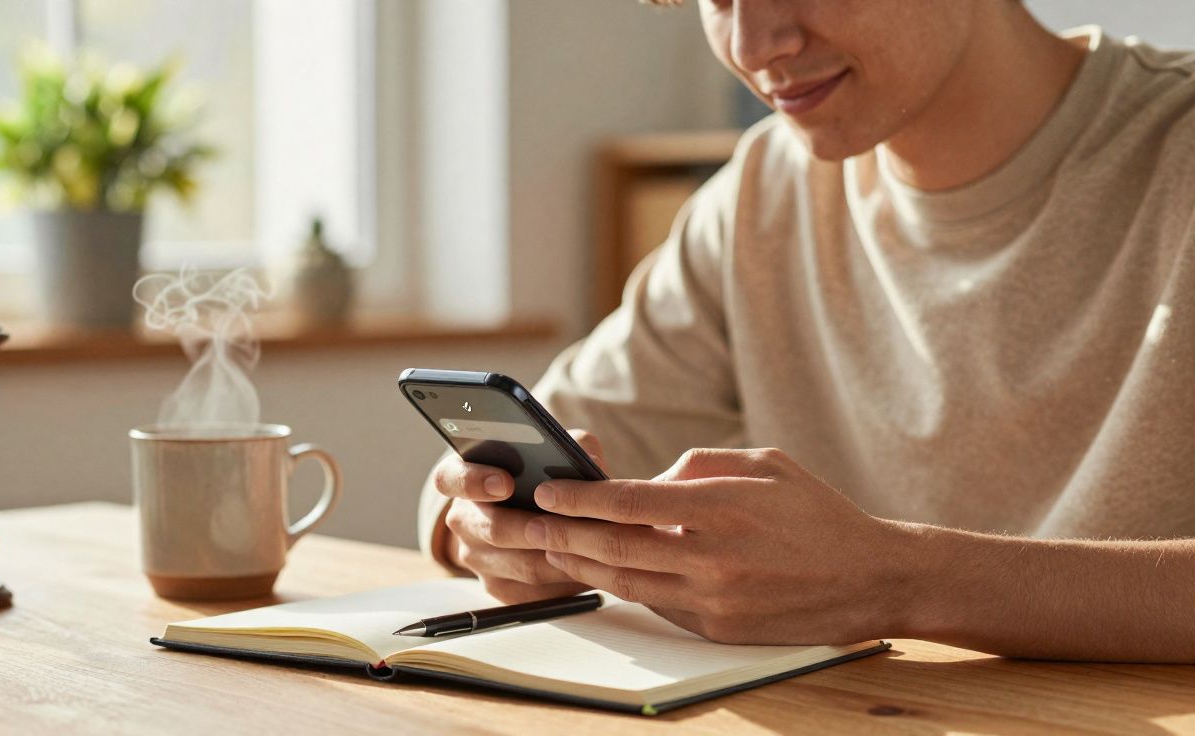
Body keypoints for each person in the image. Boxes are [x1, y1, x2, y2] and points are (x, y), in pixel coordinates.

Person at [419, 0, 1195, 662]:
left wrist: (901, 579)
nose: (755, 48)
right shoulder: (762, 194)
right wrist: (482, 530)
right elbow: (500, 462)